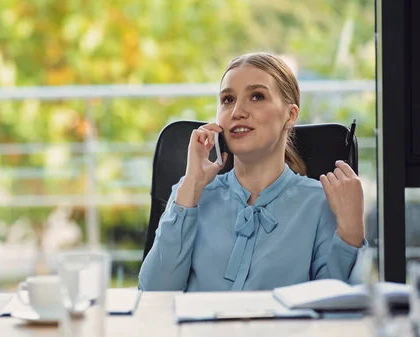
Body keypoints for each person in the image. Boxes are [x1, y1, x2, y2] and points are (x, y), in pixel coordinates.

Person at [138, 52, 367, 292]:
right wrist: (191, 187)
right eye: (228, 100)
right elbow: (153, 295)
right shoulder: (190, 194)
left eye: (257, 96)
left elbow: (336, 309)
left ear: (290, 115)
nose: (237, 111)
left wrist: (351, 232)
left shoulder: (322, 203)